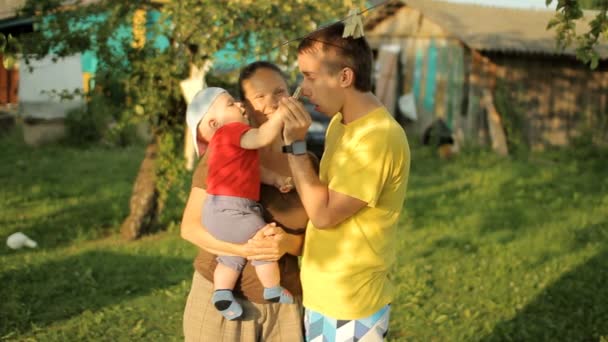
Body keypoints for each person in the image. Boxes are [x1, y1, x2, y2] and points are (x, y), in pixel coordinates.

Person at [278, 22, 411, 341]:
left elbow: (323, 216)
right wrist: (301, 169)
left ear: (345, 77)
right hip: (325, 293)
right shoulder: (341, 123)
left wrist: (295, 146)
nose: (304, 88)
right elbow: (327, 188)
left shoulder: (377, 138)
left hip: (352, 303)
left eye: (310, 76)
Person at [181, 61, 316, 341]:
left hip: (283, 305)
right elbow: (190, 228)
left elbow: (318, 240)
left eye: (279, 91)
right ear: (244, 105)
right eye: (259, 96)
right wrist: (246, 249)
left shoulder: (307, 161)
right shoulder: (223, 153)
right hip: (224, 301)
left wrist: (284, 244)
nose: (272, 102)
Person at [185, 87, 295, 321]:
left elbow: (255, 171)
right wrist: (280, 115)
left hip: (216, 213)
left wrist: (276, 180)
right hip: (234, 209)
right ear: (215, 124)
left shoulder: (223, 148)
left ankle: (222, 293)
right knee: (263, 239)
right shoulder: (232, 131)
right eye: (230, 104)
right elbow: (263, 136)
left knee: (230, 258)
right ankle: (272, 288)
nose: (240, 105)